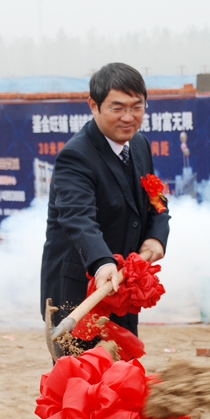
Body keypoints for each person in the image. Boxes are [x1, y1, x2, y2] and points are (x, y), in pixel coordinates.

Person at [40, 62, 169, 340]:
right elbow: (78, 218)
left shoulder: (139, 145)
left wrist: (157, 236)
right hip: (79, 294)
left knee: (123, 375)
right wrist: (101, 262)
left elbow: (155, 201)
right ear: (93, 105)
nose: (128, 117)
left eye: (137, 107)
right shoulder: (76, 157)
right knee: (82, 380)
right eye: (117, 107)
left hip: (121, 288)